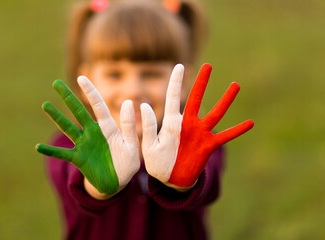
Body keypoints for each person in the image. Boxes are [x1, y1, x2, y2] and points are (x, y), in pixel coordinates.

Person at [36, 0, 254, 239]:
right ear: (87, 78)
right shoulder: (69, 147)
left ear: (182, 81)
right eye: (114, 74)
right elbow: (76, 189)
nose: (133, 89)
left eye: (151, 74)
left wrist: (180, 176)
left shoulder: (196, 145)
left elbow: (207, 183)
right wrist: (99, 180)